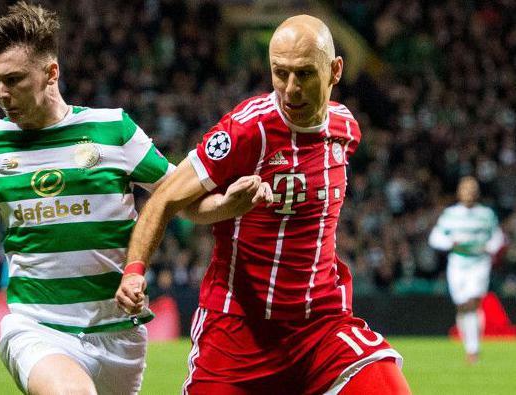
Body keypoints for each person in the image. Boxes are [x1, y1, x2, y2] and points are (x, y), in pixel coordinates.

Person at [0, 3, 270, 395]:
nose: (2, 93)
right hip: (37, 325)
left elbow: (178, 199)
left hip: (118, 333)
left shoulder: (113, 130)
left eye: (14, 80)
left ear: (51, 73)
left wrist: (228, 205)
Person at [116, 15, 411, 394]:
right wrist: (135, 270)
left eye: (304, 74)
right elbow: (167, 197)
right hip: (239, 332)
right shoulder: (247, 129)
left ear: (335, 70)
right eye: (280, 73)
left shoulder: (345, 129)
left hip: (320, 327)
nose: (290, 90)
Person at [428, 176, 505, 364]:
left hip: (479, 263)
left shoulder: (486, 214)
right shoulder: (451, 214)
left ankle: (473, 350)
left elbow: (497, 237)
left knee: (472, 302)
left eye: (473, 188)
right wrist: (450, 243)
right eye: (466, 188)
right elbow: (435, 237)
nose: (469, 192)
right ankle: (470, 344)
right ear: (459, 192)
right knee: (463, 305)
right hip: (457, 263)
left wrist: (491, 246)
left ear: (477, 192)